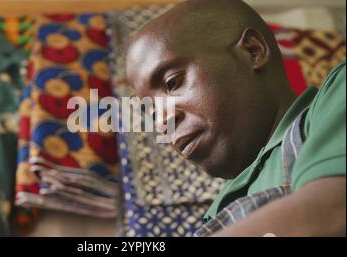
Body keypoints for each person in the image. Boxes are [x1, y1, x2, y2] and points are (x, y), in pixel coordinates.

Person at [126, 0, 345, 236]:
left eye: (172, 83)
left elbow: (328, 212)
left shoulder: (334, 98)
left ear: (252, 51)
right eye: (151, 111)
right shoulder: (216, 213)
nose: (163, 122)